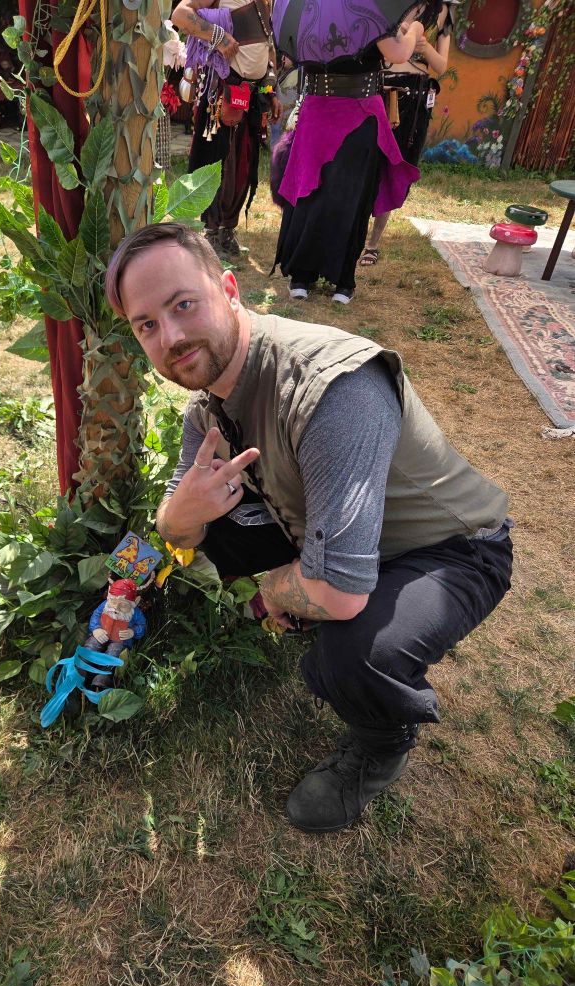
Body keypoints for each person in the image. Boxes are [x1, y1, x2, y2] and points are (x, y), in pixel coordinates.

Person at [105, 222, 513, 834]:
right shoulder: (208, 408)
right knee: (217, 524)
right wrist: (179, 514)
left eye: (183, 304)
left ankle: (381, 742)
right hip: (338, 536)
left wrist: (271, 592)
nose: (172, 337)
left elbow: (339, 593)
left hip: (450, 550)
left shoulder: (333, 389)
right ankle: (306, 594)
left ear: (230, 289)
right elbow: (175, 524)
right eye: (147, 325)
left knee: (351, 652)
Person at [272, 10, 427, 304]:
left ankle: (306, 276)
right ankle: (338, 280)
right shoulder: (365, 8)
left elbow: (291, 59)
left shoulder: (309, 9)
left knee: (315, 192)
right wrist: (415, 28)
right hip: (354, 112)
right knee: (347, 194)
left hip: (328, 111)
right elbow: (398, 53)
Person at [172, 0, 282, 259]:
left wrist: (271, 91)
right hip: (221, 92)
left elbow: (266, 48)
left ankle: (226, 230)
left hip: (251, 95)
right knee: (214, 164)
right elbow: (180, 14)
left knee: (242, 166)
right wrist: (218, 37)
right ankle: (210, 232)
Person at [359, 1, 455, 268]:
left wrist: (425, 48)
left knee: (396, 166)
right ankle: (352, 233)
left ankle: (372, 244)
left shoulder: (443, 11)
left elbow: (441, 66)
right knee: (365, 162)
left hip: (414, 96)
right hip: (377, 86)